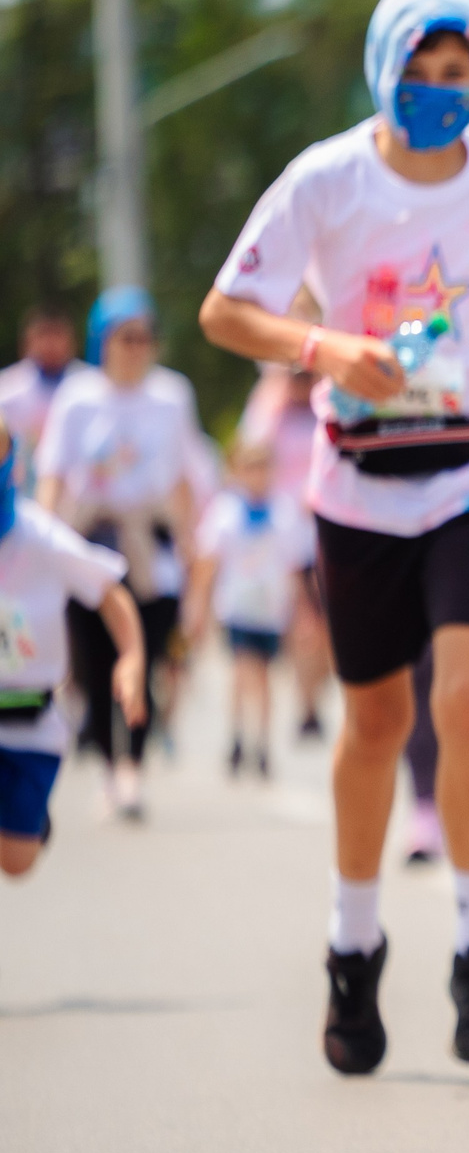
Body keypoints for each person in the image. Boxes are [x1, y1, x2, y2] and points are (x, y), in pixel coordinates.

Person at [199, 0, 469, 1074]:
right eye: (415, 72)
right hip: (358, 478)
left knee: (467, 697)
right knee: (373, 723)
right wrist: (328, 351)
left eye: (454, 72)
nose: (435, 91)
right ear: (381, 70)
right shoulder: (325, 183)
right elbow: (226, 311)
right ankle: (354, 944)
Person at [34, 290, 205, 822]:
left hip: (148, 545)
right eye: (124, 338)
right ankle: (110, 764)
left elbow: (182, 476)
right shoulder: (77, 397)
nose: (135, 348)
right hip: (93, 539)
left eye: (143, 337)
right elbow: (54, 475)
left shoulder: (172, 395)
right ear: (102, 341)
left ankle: (131, 765)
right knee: (97, 660)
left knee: (145, 658)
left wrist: (191, 546)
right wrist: (40, 542)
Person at [0, 420, 149, 879]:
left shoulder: (38, 536)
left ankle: (31, 823)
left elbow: (110, 594)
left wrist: (132, 660)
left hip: (29, 721)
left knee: (17, 864)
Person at [184, 438, 316, 780]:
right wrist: (198, 607)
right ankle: (238, 736)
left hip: (271, 609)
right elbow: (208, 563)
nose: (257, 476)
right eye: (250, 468)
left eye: (263, 468)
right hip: (236, 606)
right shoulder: (225, 513)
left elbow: (294, 567)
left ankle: (263, 743)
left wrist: (304, 613)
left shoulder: (284, 513)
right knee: (243, 671)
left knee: (265, 677)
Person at [238, 358, 332, 742]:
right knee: (301, 623)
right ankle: (304, 700)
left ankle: (314, 695)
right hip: (286, 538)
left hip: (325, 532)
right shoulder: (271, 411)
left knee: (326, 625)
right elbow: (251, 457)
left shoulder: (326, 408)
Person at [0, 309, 89, 494]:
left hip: (76, 498)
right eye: (43, 335)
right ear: (27, 341)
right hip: (20, 492)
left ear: (72, 341)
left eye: (57, 335)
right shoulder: (7, 391)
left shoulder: (89, 388)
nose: (50, 343)